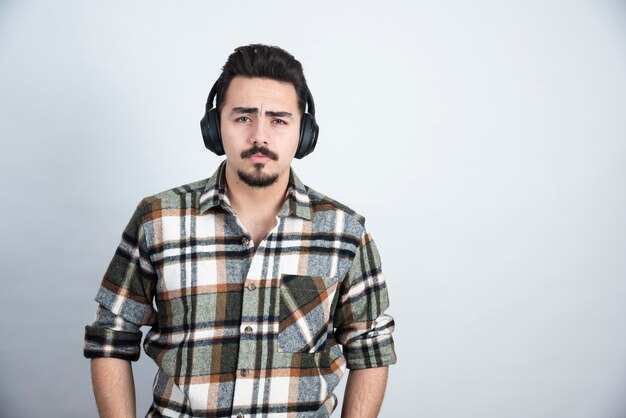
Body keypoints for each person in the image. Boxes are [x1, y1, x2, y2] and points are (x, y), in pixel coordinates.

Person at [84, 44, 396, 418]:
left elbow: (371, 348)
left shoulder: (345, 232)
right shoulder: (157, 219)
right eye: (243, 118)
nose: (260, 136)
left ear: (304, 133)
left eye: (279, 120)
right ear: (216, 127)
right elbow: (111, 337)